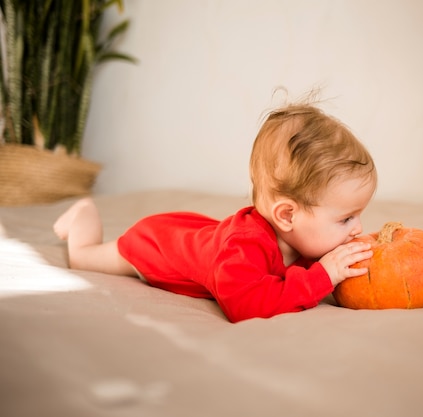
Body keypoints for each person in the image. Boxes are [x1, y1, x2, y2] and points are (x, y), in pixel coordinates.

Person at [54, 103, 378, 323]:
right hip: (154, 244)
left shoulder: (304, 238)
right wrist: (324, 275)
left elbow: (300, 277)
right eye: (345, 218)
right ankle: (82, 213)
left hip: (199, 234)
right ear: (287, 216)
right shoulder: (244, 248)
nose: (357, 226)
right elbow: (245, 305)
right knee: (84, 258)